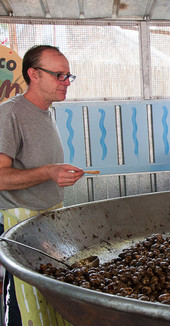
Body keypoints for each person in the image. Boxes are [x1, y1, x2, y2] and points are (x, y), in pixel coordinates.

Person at [0, 45, 84, 326]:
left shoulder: (48, 113)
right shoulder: (9, 114)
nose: (65, 82)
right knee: (27, 308)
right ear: (33, 74)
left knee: (52, 300)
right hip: (22, 223)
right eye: (58, 75)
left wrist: (55, 174)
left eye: (68, 76)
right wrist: (49, 171)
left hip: (50, 220)